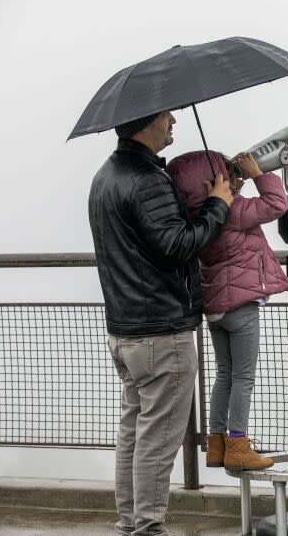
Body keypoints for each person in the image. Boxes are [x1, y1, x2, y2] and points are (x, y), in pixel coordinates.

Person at [88, 110, 234, 536]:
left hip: (126, 330)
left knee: (134, 432)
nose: (173, 120)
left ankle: (129, 522)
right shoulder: (146, 179)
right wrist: (219, 206)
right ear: (146, 122)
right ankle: (148, 527)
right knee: (158, 437)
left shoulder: (106, 175)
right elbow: (176, 245)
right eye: (167, 116)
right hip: (160, 332)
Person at [166, 150, 288, 471]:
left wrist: (234, 180)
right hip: (241, 306)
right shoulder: (235, 210)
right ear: (213, 182)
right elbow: (277, 204)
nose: (234, 180)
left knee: (225, 374)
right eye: (228, 175)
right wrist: (258, 173)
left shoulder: (199, 219)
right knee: (243, 377)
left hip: (216, 309)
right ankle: (238, 443)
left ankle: (216, 442)